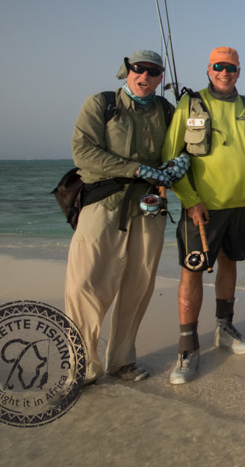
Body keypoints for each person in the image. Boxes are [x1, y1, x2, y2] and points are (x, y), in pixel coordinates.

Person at [64, 50, 185, 384]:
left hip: (150, 207)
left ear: (161, 78)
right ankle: (80, 365)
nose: (144, 76)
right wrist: (134, 168)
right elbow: (83, 151)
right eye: (138, 70)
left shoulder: (166, 110)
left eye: (153, 72)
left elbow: (185, 144)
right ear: (126, 71)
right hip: (103, 203)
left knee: (139, 285)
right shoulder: (101, 103)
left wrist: (180, 163)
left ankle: (121, 360)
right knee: (85, 284)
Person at [162, 47, 245, 384]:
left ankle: (224, 327)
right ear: (208, 70)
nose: (225, 73)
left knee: (230, 262)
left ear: (239, 71)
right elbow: (171, 156)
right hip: (202, 208)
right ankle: (187, 345)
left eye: (231, 68)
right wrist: (190, 200)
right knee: (192, 268)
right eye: (219, 67)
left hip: (241, 204)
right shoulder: (188, 106)